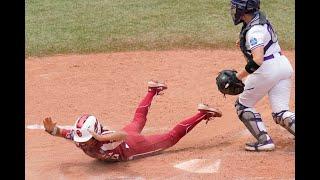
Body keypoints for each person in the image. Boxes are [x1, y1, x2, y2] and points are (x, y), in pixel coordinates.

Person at [43, 80, 222, 161]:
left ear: (95, 133)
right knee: (137, 120)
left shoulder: (107, 141)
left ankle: (203, 113)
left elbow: (120, 135)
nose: (85, 144)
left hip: (134, 146)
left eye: (87, 140)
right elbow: (61, 132)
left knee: (170, 138)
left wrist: (101, 139)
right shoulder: (79, 138)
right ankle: (153, 90)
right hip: (125, 137)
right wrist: (51, 130)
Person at [229, 0, 295, 151]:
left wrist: (238, 77)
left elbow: (258, 60)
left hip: (267, 70)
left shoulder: (254, 31)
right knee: (281, 113)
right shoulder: (258, 20)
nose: (234, 9)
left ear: (244, 9)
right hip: (283, 65)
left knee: (242, 105)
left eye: (236, 7)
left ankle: (264, 141)